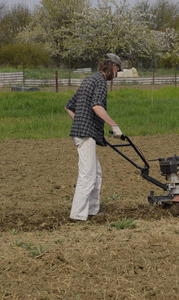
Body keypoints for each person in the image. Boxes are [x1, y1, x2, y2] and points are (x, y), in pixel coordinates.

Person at [64, 53, 123, 222]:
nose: (117, 75)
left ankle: (92, 210)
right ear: (112, 67)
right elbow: (97, 106)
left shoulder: (89, 80)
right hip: (85, 135)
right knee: (88, 175)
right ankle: (77, 215)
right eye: (118, 70)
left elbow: (68, 106)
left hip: (82, 132)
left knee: (96, 173)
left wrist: (82, 120)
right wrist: (114, 125)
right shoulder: (100, 82)